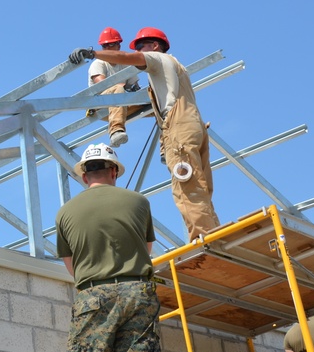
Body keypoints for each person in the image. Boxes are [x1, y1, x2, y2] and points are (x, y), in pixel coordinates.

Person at [55, 143, 159, 352]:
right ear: (114, 171)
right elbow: (148, 247)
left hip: (91, 295)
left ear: (84, 175)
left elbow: (70, 264)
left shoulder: (66, 212)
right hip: (137, 291)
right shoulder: (138, 202)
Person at [69, 28, 218, 240]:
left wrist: (92, 52)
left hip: (178, 124)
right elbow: (106, 83)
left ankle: (203, 239)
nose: (138, 51)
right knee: (200, 185)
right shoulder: (175, 66)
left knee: (186, 186)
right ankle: (214, 231)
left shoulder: (157, 58)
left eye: (141, 46)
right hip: (193, 123)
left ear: (155, 46)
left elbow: (128, 59)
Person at [85, 27, 141, 148]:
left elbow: (135, 88)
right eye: (105, 46)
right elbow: (102, 84)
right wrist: (123, 87)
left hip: (123, 105)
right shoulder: (99, 63)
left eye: (110, 45)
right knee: (118, 89)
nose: (107, 49)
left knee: (154, 97)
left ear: (118, 46)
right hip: (101, 105)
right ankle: (116, 132)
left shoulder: (126, 63)